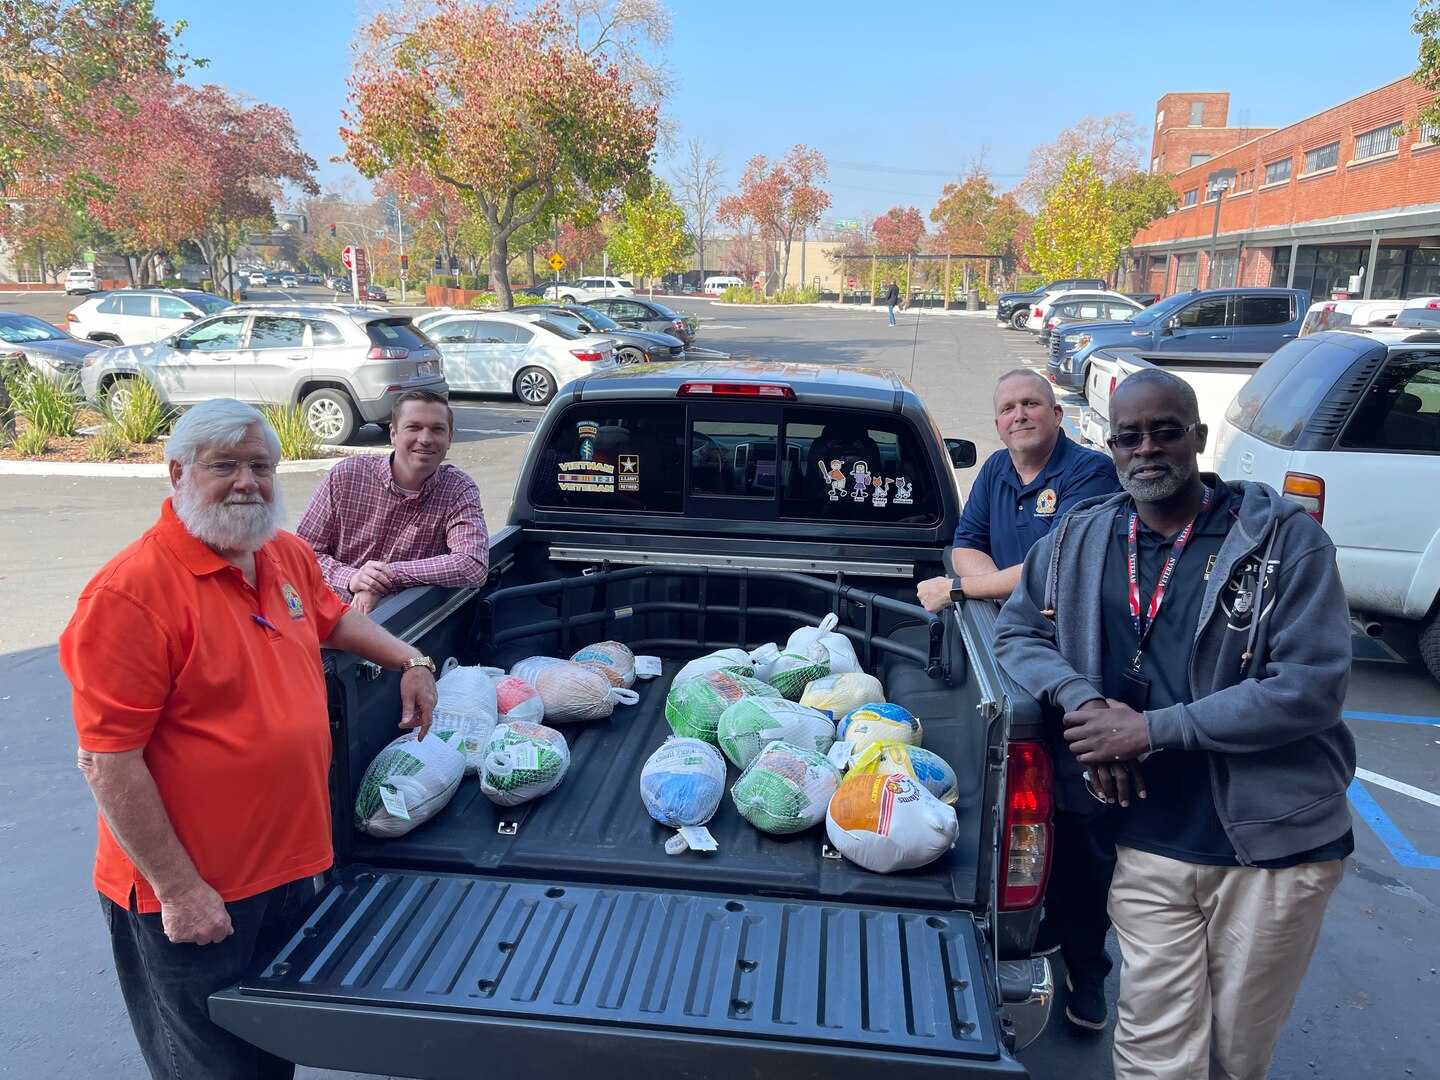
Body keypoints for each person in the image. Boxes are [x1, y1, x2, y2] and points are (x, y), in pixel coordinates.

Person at [60, 399, 441, 1080]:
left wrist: (409, 661)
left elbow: (333, 620)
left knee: (268, 1059)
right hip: (198, 892)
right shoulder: (131, 596)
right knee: (209, 1069)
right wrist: (179, 891)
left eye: (260, 466)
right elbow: (107, 761)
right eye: (224, 466)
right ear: (176, 473)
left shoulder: (280, 553)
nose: (247, 483)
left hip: (288, 874)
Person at [994, 368, 1355, 1078]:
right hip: (1148, 842)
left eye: (1165, 431)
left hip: (1269, 848)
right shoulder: (1081, 537)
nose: (1147, 449)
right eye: (1129, 437)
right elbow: (1015, 634)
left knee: (1234, 1054)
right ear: (1112, 446)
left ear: (1198, 437)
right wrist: (1082, 701)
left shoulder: (1283, 544)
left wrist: (1153, 730)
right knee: (1155, 1050)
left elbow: (1310, 688)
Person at [916, 367, 1121, 1029]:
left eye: (1030, 403)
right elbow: (966, 544)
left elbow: (1057, 567)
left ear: (1057, 413)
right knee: (1019, 821)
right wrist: (991, 584)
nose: (1017, 415)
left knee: (1085, 832)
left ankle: (1087, 979)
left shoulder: (1091, 476)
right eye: (1006, 408)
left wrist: (967, 590)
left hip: (1082, 671)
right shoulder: (999, 471)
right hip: (1014, 653)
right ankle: (1046, 923)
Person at [297, 389, 488, 614]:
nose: (425, 439)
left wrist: (388, 575)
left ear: (449, 439)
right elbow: (300, 556)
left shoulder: (457, 489)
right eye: (413, 427)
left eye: (437, 429)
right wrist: (354, 578)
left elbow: (472, 564)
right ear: (393, 434)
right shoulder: (347, 476)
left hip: (403, 624)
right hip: (324, 615)